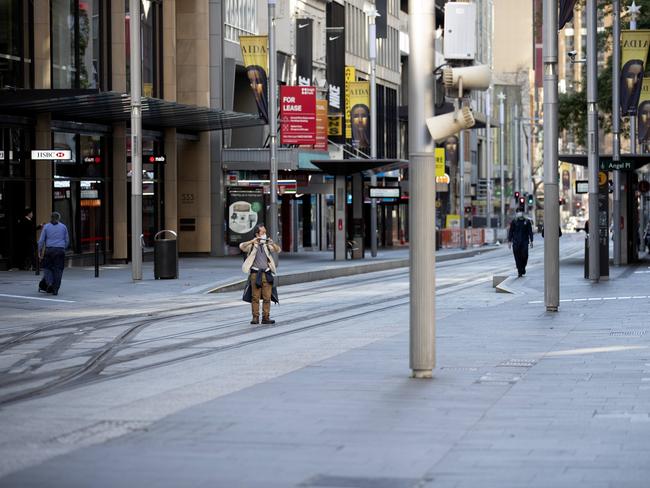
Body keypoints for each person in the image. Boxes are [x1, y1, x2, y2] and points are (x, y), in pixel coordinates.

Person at [239, 224, 281, 325]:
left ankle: (266, 317)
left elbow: (277, 250)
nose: (265, 234)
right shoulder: (252, 245)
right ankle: (255, 318)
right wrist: (252, 241)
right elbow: (241, 246)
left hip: (267, 273)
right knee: (255, 297)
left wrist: (272, 243)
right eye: (263, 232)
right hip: (255, 273)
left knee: (267, 297)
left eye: (265, 232)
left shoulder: (267, 245)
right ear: (257, 233)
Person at [37, 212, 70, 295]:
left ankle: (50, 283)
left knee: (47, 268)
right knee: (58, 270)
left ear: (51, 218)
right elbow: (67, 240)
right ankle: (56, 289)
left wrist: (39, 251)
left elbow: (41, 241)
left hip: (49, 250)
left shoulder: (46, 227)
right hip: (60, 250)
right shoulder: (63, 227)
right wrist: (63, 248)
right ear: (58, 218)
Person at [507, 211, 534, 277]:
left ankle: (523, 267)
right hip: (516, 242)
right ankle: (519, 270)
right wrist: (509, 241)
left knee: (525, 255)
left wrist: (531, 241)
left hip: (524, 242)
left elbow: (530, 232)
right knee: (517, 257)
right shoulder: (514, 222)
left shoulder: (527, 222)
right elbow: (511, 231)